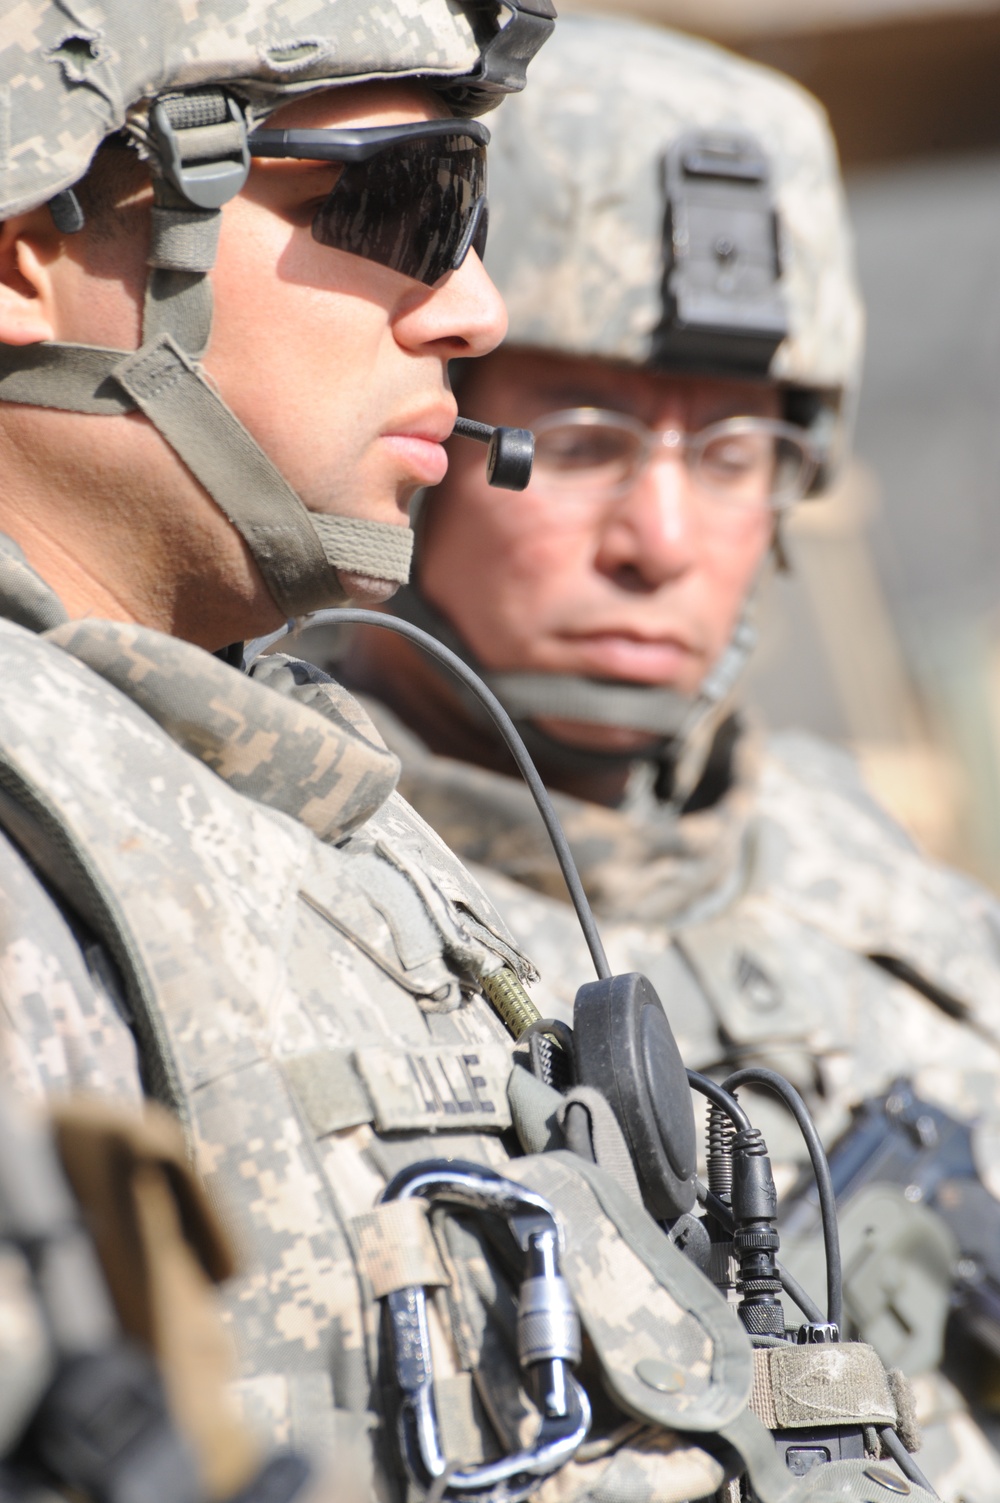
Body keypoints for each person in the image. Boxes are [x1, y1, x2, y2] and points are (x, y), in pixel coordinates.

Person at [0, 5, 923, 1502]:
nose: (472, 308)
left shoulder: (320, 822)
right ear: (26, 244)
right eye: (398, 201)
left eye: (739, 449)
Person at [335, 14, 1000, 1501]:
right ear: (434, 426)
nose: (665, 543)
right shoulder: (273, 873)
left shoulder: (894, 900)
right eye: (579, 439)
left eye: (733, 452)